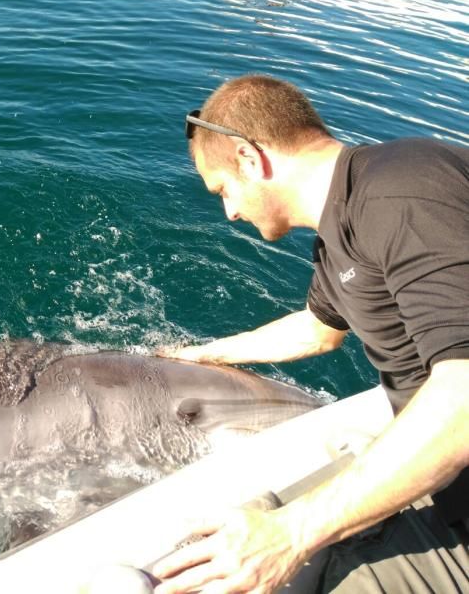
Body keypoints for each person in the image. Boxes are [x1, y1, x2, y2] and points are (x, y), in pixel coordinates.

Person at [150, 75, 469, 593]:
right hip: (443, 478)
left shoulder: (405, 188)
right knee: (223, 535)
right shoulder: (349, 222)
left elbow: (464, 398)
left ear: (250, 159)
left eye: (224, 190)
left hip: (458, 500)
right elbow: (319, 331)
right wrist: (201, 354)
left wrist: (291, 535)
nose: (230, 212)